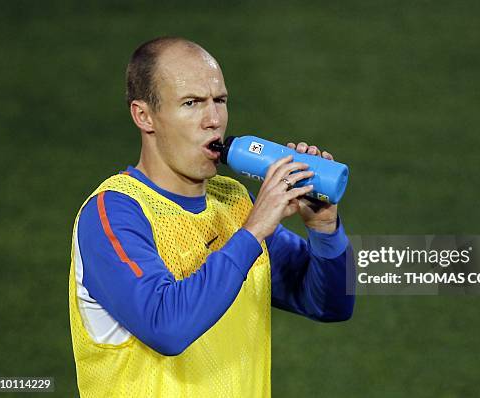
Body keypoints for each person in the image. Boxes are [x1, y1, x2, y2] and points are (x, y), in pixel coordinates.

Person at [68, 36, 354, 398]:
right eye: (192, 103)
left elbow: (330, 305)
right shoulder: (114, 213)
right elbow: (166, 326)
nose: (214, 120)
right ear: (144, 116)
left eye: (219, 100)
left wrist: (324, 229)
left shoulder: (234, 203)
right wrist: (251, 234)